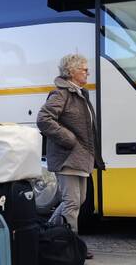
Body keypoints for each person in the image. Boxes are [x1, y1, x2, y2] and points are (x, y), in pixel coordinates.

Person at [37, 54, 105, 253]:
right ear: (71, 71)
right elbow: (44, 119)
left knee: (78, 201)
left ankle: (48, 231)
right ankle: (71, 247)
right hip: (67, 157)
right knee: (72, 203)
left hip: (81, 157)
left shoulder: (80, 94)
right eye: (84, 69)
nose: (88, 72)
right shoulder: (61, 94)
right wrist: (68, 138)